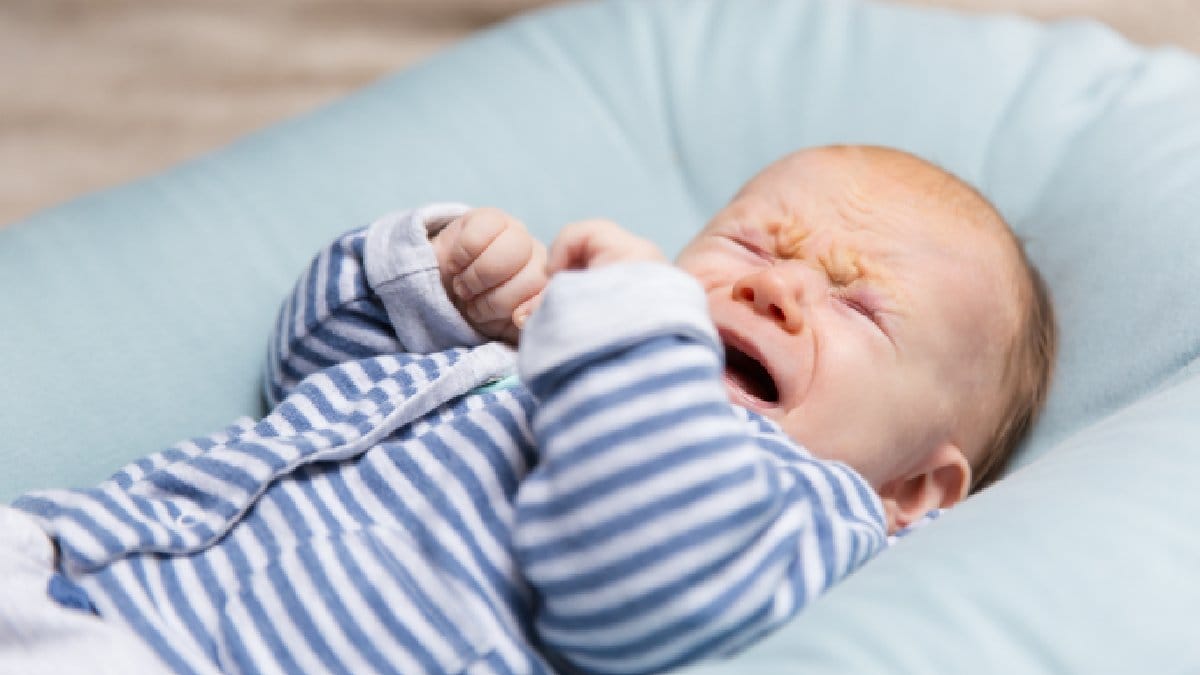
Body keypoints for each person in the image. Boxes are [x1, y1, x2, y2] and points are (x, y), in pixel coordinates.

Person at [8, 145, 1055, 674]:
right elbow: (312, 375)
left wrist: (635, 332)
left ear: (915, 485)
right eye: (749, 246)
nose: (776, 291)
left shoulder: (804, 508)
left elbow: (634, 585)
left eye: (861, 307)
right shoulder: (533, 354)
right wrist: (434, 287)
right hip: (68, 554)